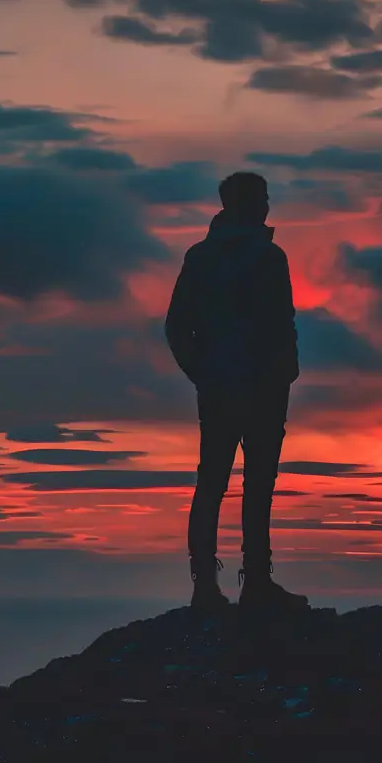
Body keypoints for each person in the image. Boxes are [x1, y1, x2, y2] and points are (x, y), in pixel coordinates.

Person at [165, 172, 309, 614]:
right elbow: (179, 326)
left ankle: (233, 584)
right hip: (248, 385)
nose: (268, 205)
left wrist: (203, 373)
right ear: (243, 204)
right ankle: (236, 584)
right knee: (237, 484)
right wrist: (205, 373)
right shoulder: (264, 257)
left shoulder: (210, 256)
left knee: (227, 482)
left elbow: (178, 327)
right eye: (263, 198)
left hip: (242, 385)